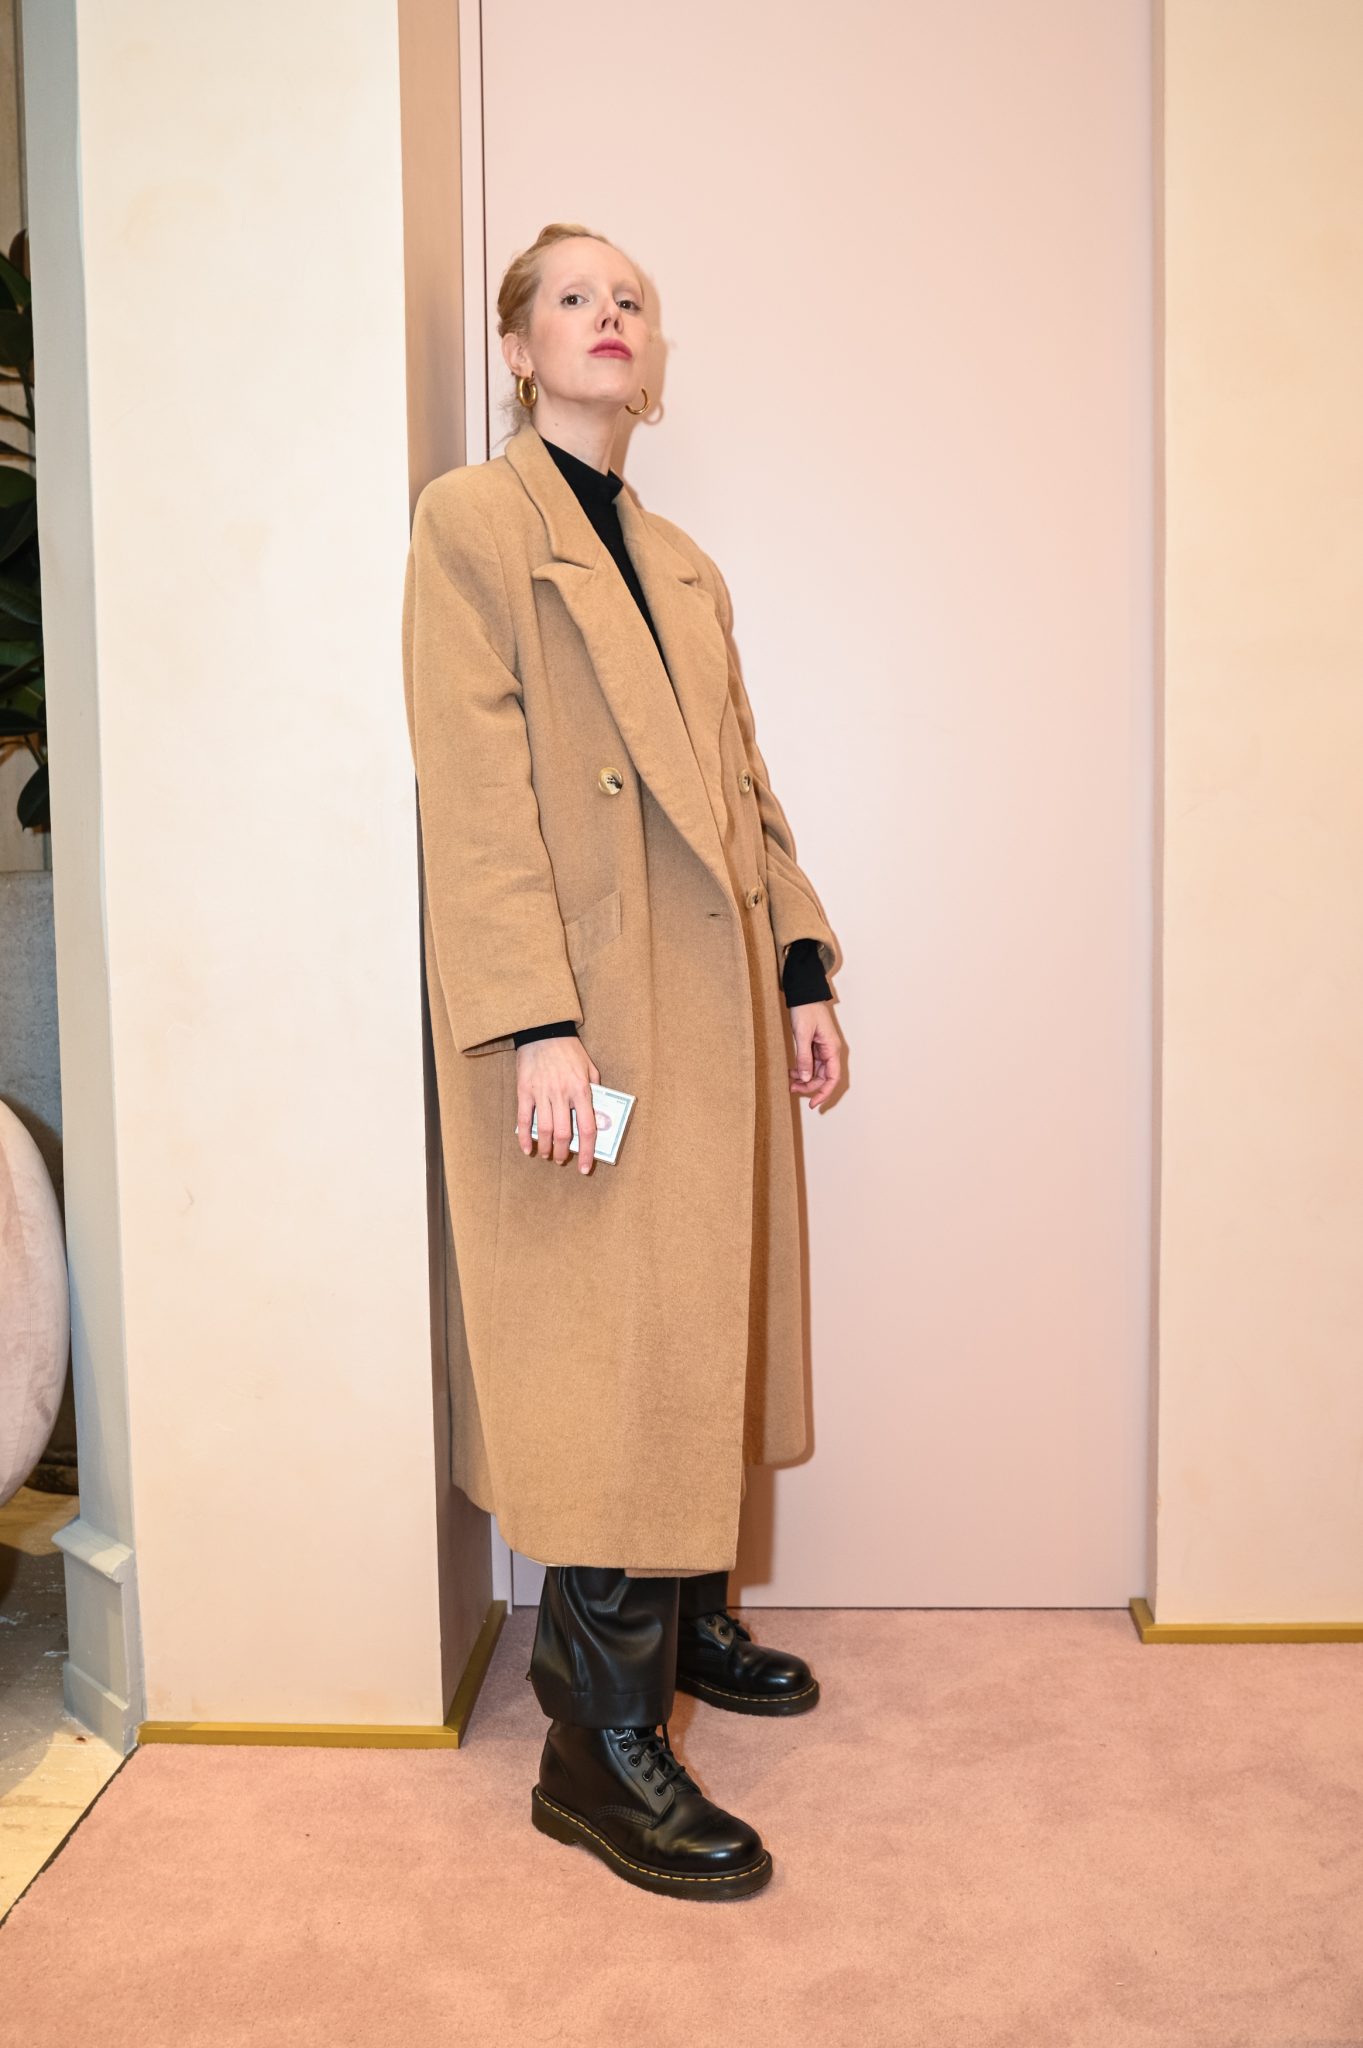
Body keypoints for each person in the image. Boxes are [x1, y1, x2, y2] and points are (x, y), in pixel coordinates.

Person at [401, 222, 845, 1901]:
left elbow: (742, 782)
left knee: (691, 1309)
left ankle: (682, 1610)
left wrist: (798, 963)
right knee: (603, 1341)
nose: (610, 317)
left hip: (707, 989)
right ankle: (594, 1746)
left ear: (650, 358)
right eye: (574, 297)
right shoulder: (472, 524)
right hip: (585, 1001)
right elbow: (473, 791)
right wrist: (534, 1017)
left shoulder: (685, 562)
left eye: (631, 300)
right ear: (520, 348)